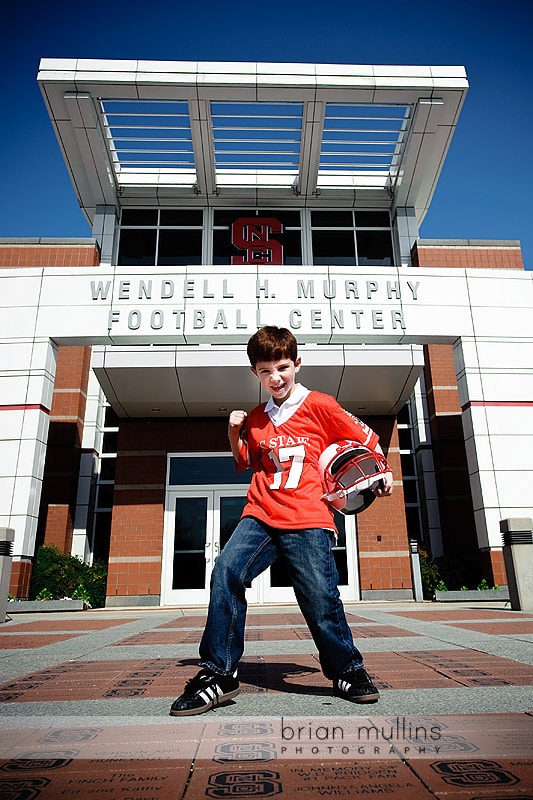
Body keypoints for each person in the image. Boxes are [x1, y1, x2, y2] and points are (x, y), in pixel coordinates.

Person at [170, 326, 393, 716]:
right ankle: (219, 673)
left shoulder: (320, 405)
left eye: (283, 367)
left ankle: (347, 669)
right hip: (261, 512)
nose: (276, 378)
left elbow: (367, 440)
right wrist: (232, 431)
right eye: (265, 371)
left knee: (320, 598)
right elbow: (246, 461)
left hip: (307, 514)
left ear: (297, 364)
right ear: (255, 373)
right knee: (226, 570)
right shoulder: (256, 418)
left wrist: (382, 472)